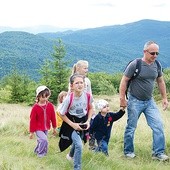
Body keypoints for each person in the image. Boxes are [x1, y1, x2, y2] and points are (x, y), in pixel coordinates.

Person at [119, 41, 169, 161]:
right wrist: (122, 99)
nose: (155, 55)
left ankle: (158, 153)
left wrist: (164, 98)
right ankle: (128, 152)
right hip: (134, 100)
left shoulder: (157, 64)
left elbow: (160, 81)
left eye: (157, 53)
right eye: (152, 53)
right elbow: (124, 80)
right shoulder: (135, 64)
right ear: (145, 52)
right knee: (131, 127)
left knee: (158, 126)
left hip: (149, 101)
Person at [58, 73, 93, 170]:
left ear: (84, 84)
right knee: (79, 145)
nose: (80, 85)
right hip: (71, 124)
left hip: (83, 122)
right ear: (72, 86)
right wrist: (72, 125)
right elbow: (61, 113)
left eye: (81, 82)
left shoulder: (88, 96)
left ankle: (70, 155)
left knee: (78, 141)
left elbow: (91, 108)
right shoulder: (69, 99)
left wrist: (88, 121)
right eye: (77, 83)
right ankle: (77, 168)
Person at [29, 85, 57, 158]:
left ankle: (37, 150)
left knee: (41, 140)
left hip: (46, 128)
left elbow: (53, 117)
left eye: (46, 96)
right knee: (44, 140)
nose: (45, 99)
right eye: (43, 97)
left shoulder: (50, 106)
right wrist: (31, 132)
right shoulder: (35, 107)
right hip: (38, 128)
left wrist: (54, 127)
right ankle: (40, 154)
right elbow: (32, 120)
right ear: (38, 96)